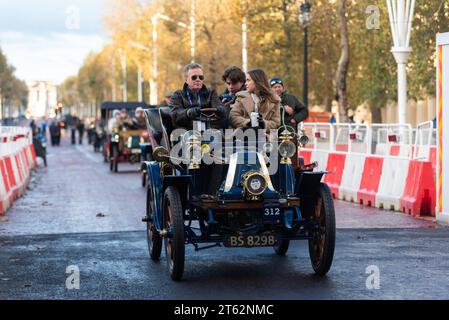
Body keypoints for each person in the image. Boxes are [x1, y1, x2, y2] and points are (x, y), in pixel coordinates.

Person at [170, 63, 227, 130]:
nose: (198, 79)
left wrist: (221, 109)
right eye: (194, 77)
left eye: (201, 77)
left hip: (210, 131)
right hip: (187, 132)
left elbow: (218, 105)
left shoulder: (211, 93)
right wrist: (188, 112)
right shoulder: (177, 95)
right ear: (186, 80)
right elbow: (175, 115)